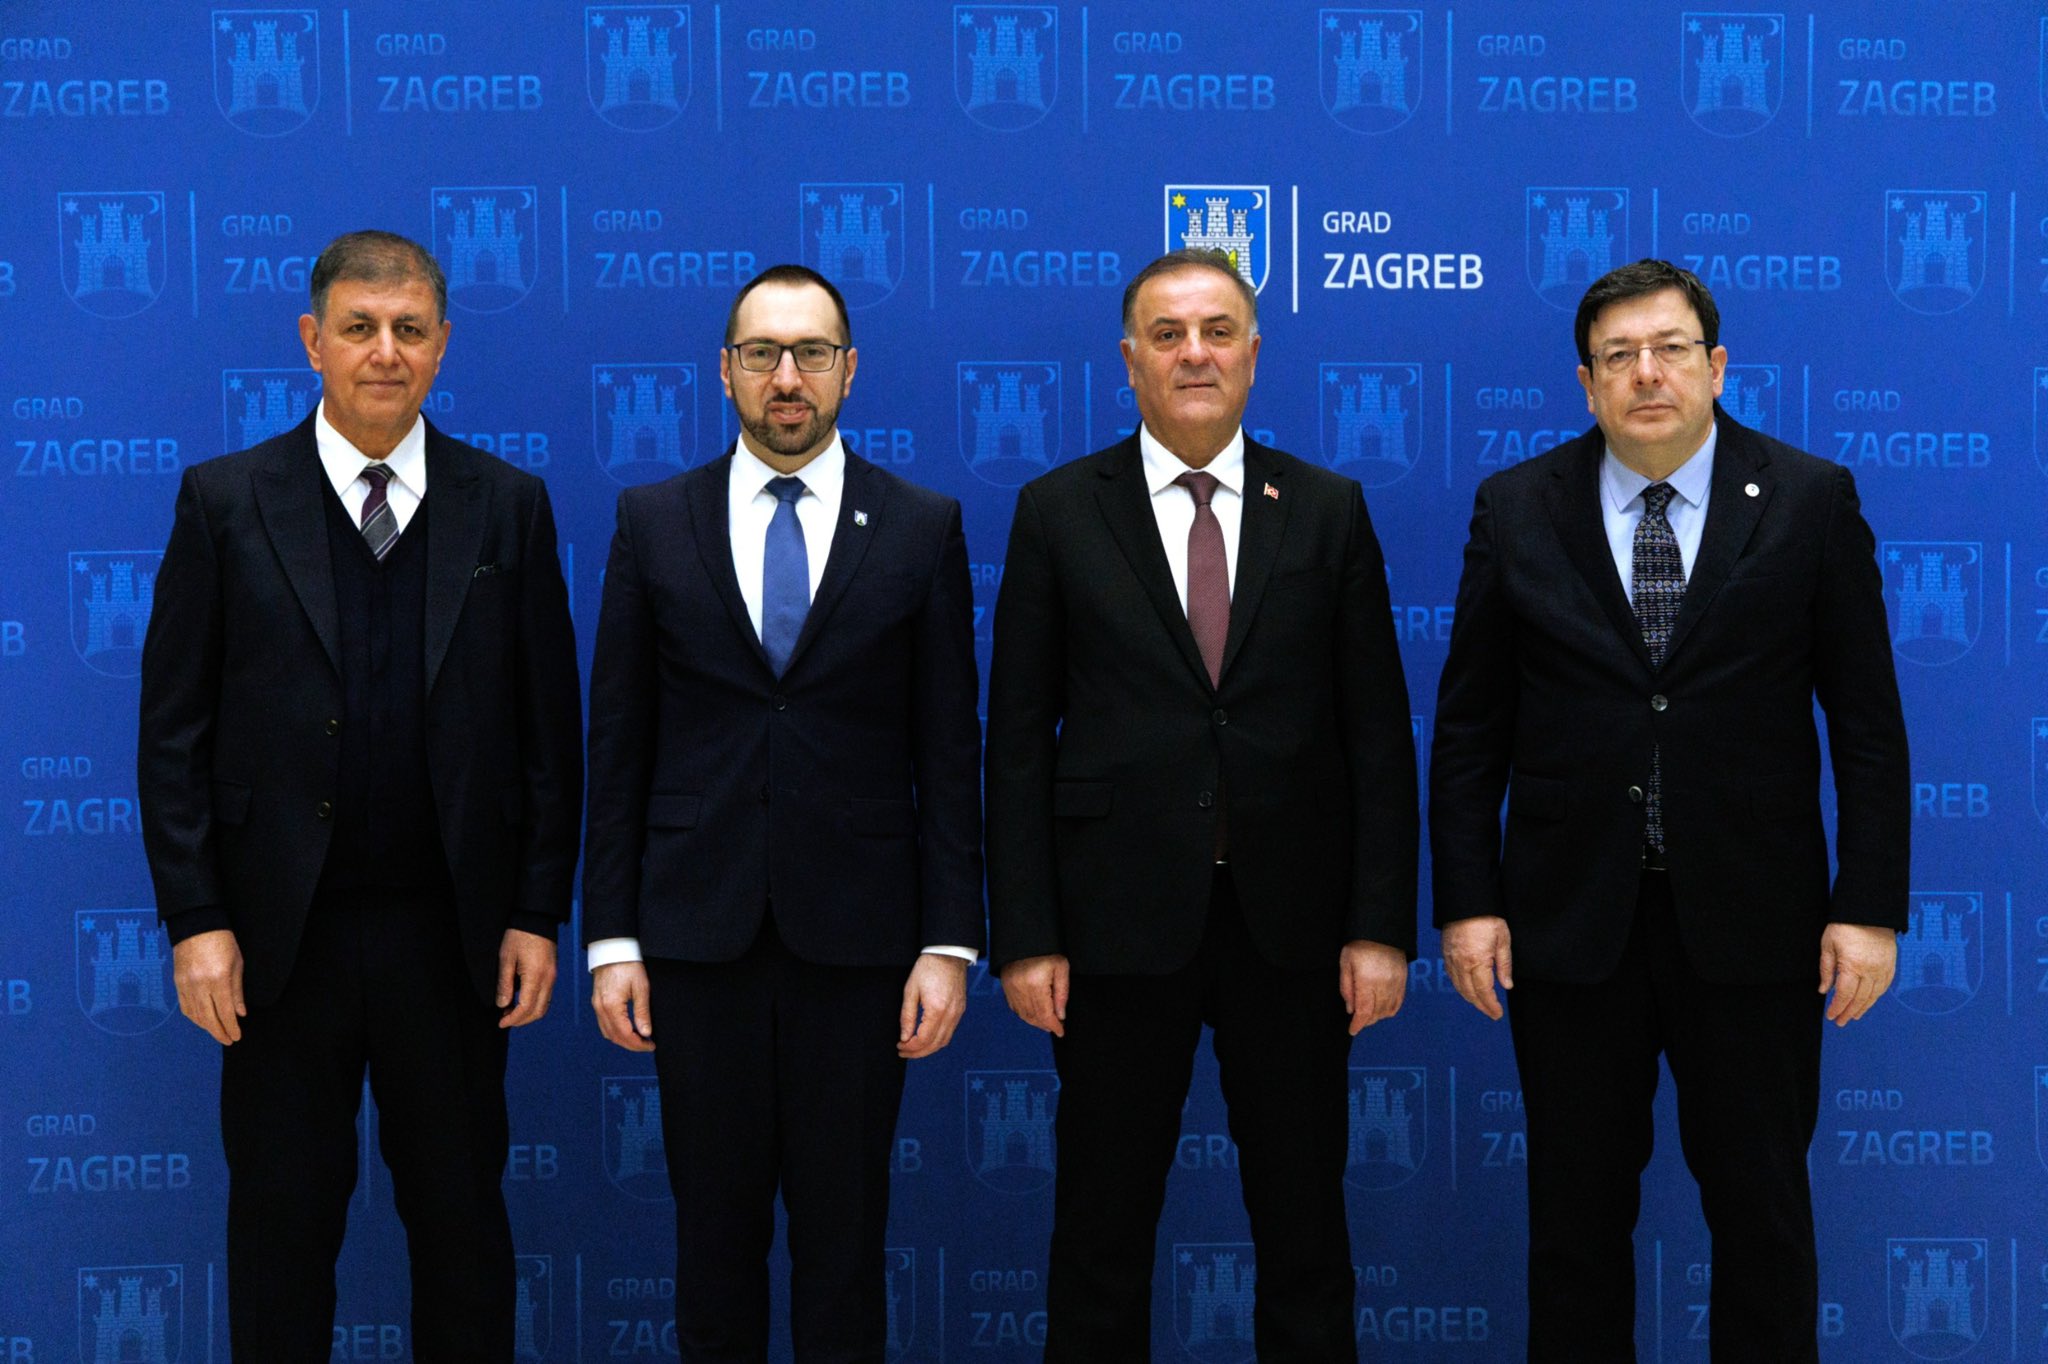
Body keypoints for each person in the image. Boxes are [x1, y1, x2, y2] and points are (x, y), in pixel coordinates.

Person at [1428, 258, 1909, 1362]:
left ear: (1716, 365)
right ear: (1586, 382)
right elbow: (1469, 731)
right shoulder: (1516, 507)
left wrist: (1868, 906)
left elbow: (1868, 726)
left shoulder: (1809, 499)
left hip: (1756, 924)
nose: (1646, 373)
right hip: (1568, 926)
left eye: (1670, 349)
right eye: (1619, 356)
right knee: (1574, 1225)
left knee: (1763, 1220)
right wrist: (1467, 903)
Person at [137, 230, 583, 1360]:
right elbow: (173, 736)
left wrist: (537, 910)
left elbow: (549, 735)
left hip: (453, 941)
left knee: (463, 1232)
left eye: (409, 330)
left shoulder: (508, 505)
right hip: (279, 948)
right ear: (312, 340)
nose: (385, 352)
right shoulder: (225, 502)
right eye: (359, 327)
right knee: (280, 1238)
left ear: (442, 345)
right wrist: (197, 919)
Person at [985, 248, 1418, 1362]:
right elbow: (1016, 745)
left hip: (1293, 931)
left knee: (1305, 1234)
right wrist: (1025, 934)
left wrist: (1378, 925)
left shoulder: (1326, 509)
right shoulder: (1055, 510)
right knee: (1100, 1232)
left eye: (1218, 331)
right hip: (1114, 929)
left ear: (1254, 355)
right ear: (1128, 358)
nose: (1194, 354)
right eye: (1168, 334)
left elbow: (1376, 736)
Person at [582, 264, 984, 1361]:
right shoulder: (653, 519)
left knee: (845, 1249)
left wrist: (949, 942)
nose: (787, 377)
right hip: (693, 938)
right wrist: (611, 939)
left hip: (860, 944)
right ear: (725, 372)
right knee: (711, 1248)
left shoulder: (920, 525)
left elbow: (949, 752)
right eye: (762, 353)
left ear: (850, 370)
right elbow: (618, 742)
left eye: (811, 353)